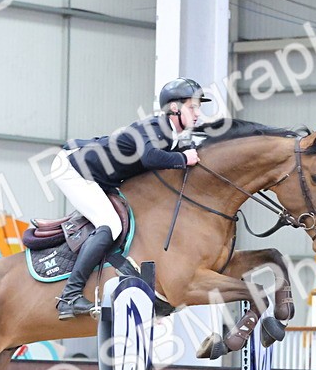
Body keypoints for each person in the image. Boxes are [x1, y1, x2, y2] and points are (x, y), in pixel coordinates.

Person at [50, 77, 208, 319]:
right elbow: (150, 158)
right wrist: (183, 159)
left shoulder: (171, 135)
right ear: (174, 108)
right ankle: (69, 297)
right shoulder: (157, 128)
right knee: (110, 224)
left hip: (100, 176)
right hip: (73, 168)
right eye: (193, 107)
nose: (198, 114)